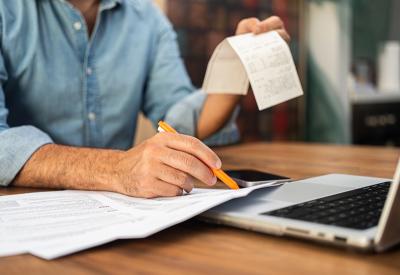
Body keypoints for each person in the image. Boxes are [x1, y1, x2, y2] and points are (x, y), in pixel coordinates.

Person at [0, 0, 289, 198]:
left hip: (121, 211)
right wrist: (114, 169)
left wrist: (236, 65)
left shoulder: (147, 19)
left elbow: (181, 126)